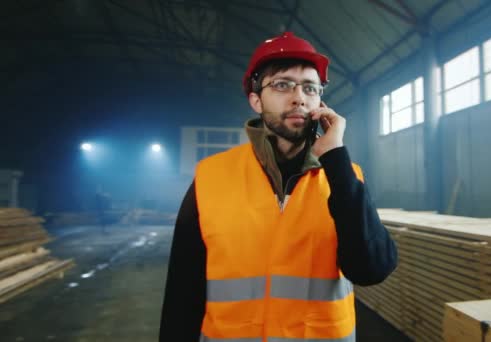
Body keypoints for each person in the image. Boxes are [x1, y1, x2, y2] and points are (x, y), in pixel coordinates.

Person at [160, 32, 397, 342]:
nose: (299, 96)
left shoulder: (344, 176)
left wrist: (336, 159)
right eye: (283, 85)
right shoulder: (211, 176)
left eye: (310, 88)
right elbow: (183, 290)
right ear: (256, 100)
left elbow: (372, 269)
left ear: (319, 102)